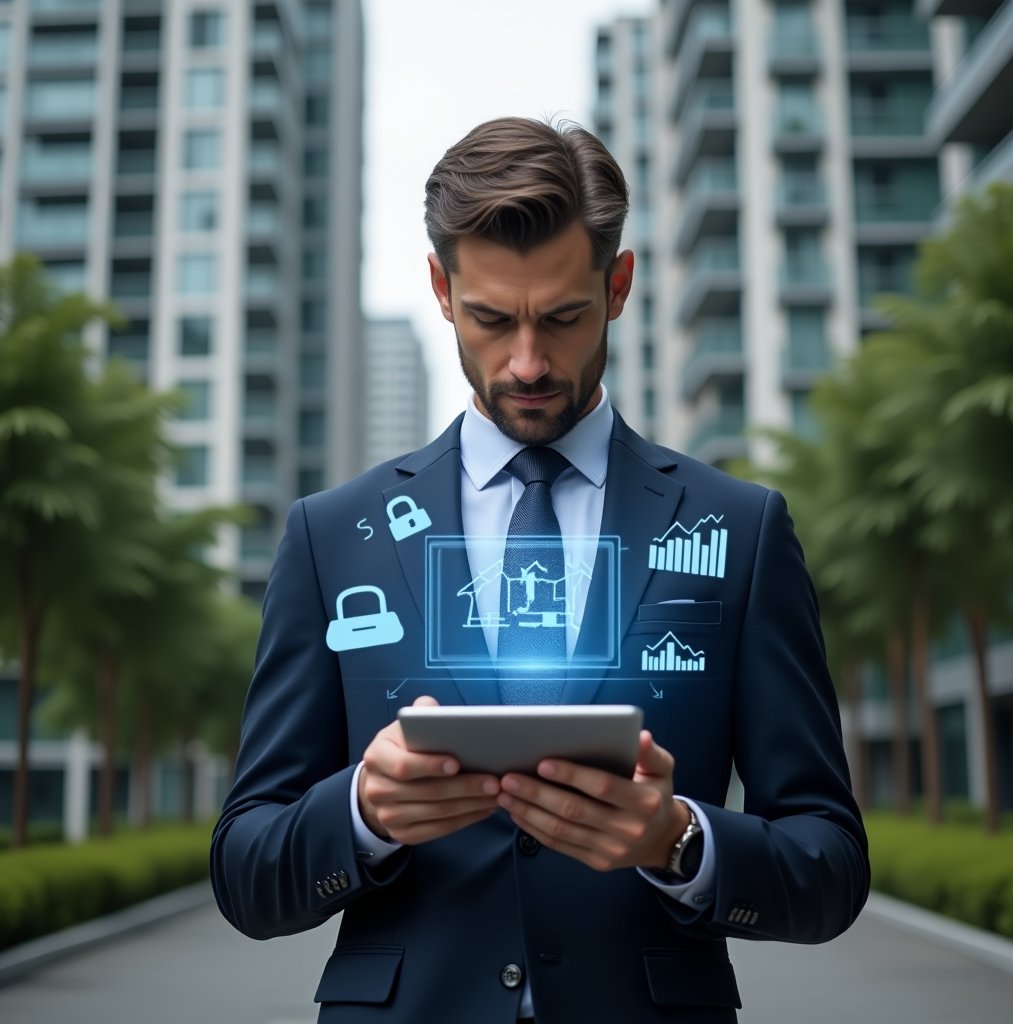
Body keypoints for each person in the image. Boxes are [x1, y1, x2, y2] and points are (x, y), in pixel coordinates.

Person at [211, 117, 869, 1023]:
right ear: (442, 290)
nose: (527, 362)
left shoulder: (742, 529)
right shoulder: (333, 536)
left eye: (563, 317)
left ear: (619, 284)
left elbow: (830, 865)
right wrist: (364, 811)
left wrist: (679, 840)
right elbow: (247, 870)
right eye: (491, 318)